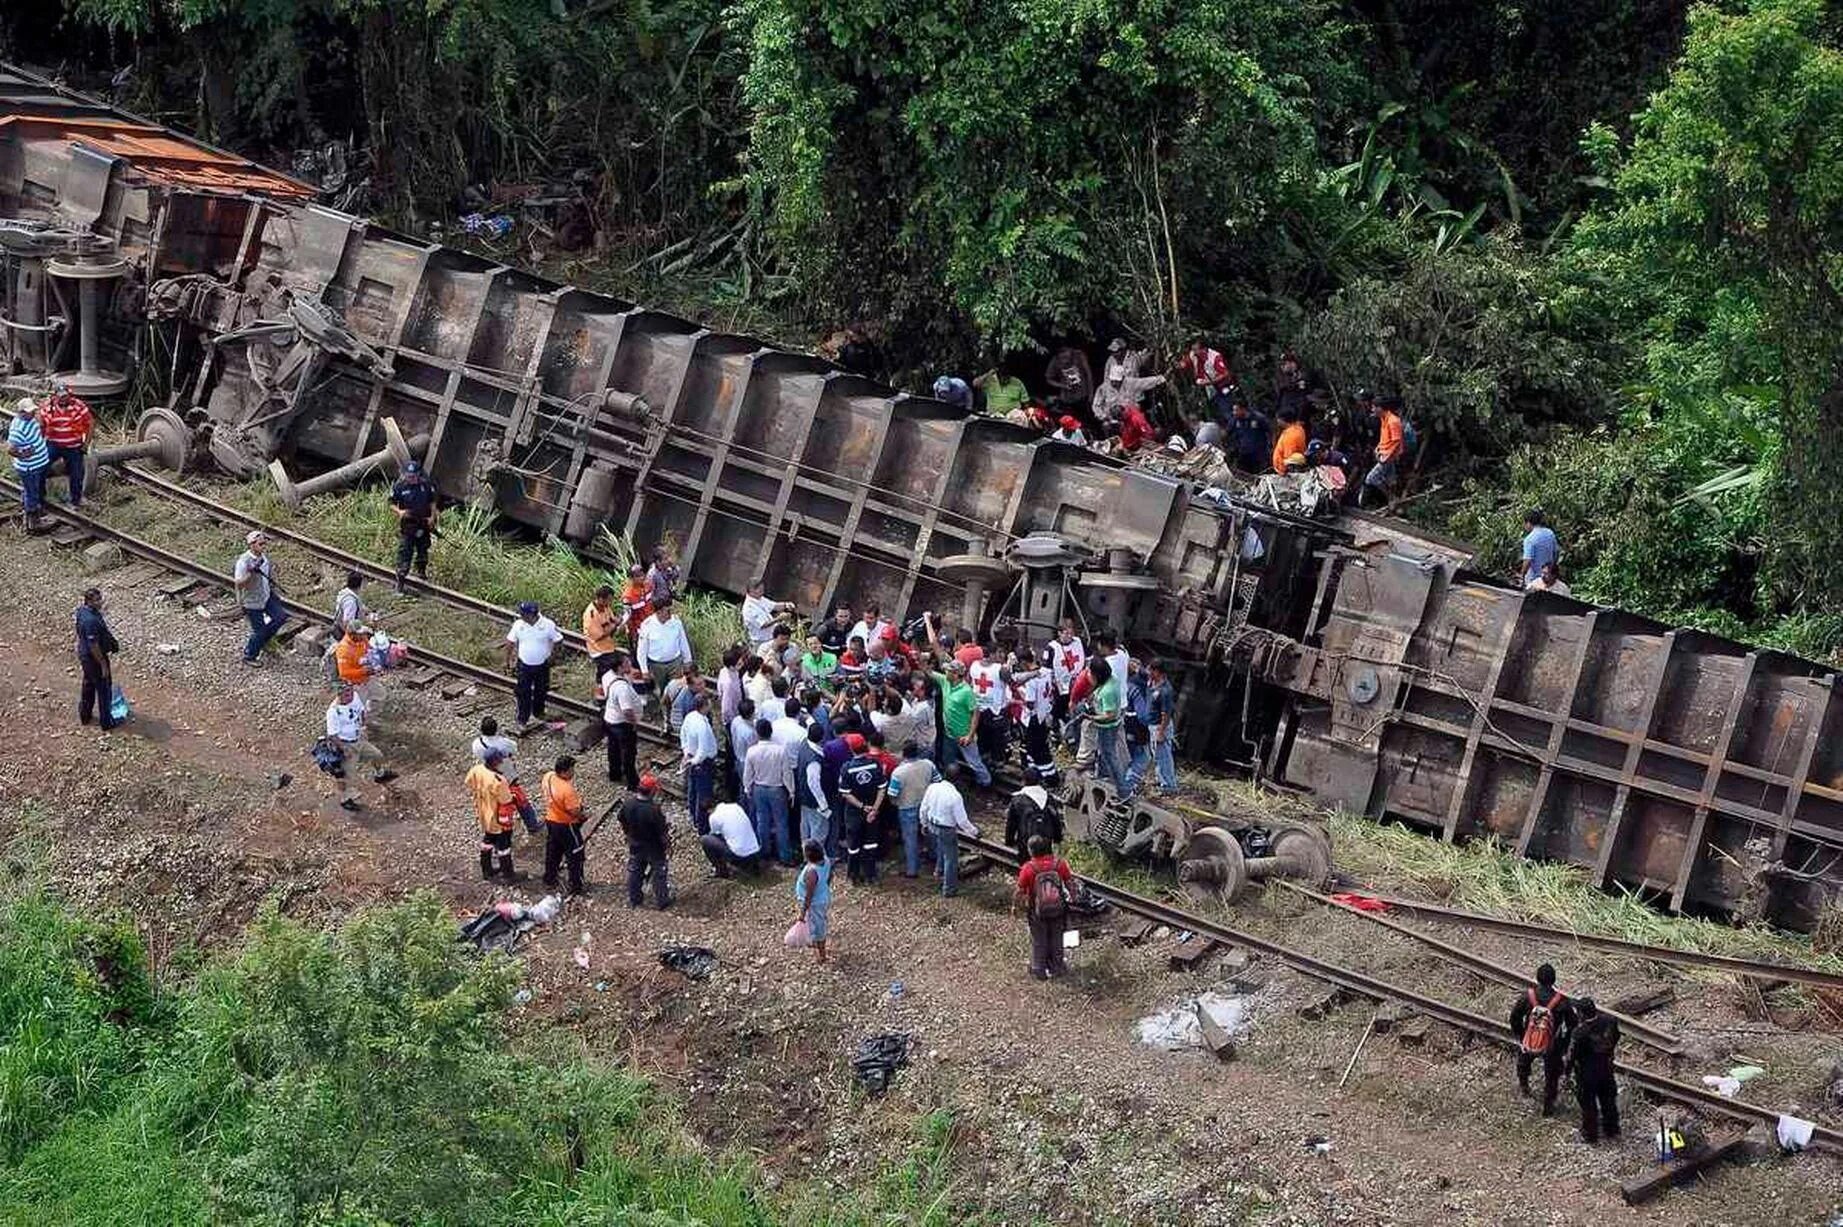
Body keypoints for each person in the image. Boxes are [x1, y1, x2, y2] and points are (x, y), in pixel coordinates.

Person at [1509, 963, 1579, 1118]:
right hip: (1552, 1044)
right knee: (1551, 1076)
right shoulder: (1562, 1001)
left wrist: (1522, 1035)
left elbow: (1514, 1018)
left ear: (1537, 978)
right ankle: (1548, 1107)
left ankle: (1524, 1086)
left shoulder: (1528, 997)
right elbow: (1573, 1024)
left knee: (1523, 1062)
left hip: (1530, 1039)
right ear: (1554, 980)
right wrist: (1563, 1043)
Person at [325, 682, 395, 813]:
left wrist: (363, 726)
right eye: (346, 694)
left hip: (359, 739)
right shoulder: (333, 712)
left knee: (377, 755)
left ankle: (379, 774)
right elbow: (332, 735)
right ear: (338, 695)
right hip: (346, 744)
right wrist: (344, 749)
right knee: (348, 776)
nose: (350, 695)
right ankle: (345, 800)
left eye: (351, 692)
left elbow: (361, 710)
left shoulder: (355, 696)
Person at [1013, 834, 1074, 980]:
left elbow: (1019, 891)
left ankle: (1038, 969)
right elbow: (1070, 883)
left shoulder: (1028, 868)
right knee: (1057, 938)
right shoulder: (1059, 864)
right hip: (1058, 909)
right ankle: (1057, 968)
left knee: (1039, 939)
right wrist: (1073, 899)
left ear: (1031, 851)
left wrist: (1015, 907)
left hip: (1037, 911)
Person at [1565, 997, 1621, 1143]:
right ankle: (1612, 1129)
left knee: (1588, 1105)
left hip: (1586, 1073)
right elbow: (1616, 1038)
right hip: (1606, 1068)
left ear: (1582, 1014)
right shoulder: (1610, 1022)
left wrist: (1567, 1073)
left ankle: (1590, 1134)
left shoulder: (1579, 1032)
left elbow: (1571, 1055)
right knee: (1608, 1100)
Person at [469, 714, 538, 831]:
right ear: (496, 729)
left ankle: (496, 827)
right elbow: (514, 749)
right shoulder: (504, 743)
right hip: (506, 777)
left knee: (495, 805)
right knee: (521, 800)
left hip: (488, 778)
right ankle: (532, 824)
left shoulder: (476, 743)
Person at [503, 601, 565, 729]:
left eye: (523, 614)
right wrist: (507, 661)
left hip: (542, 665)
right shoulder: (518, 625)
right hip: (524, 666)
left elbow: (558, 640)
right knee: (523, 693)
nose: (521, 616)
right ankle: (522, 719)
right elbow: (510, 642)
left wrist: (552, 657)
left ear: (531, 614)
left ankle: (538, 712)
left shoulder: (548, 624)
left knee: (541, 690)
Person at [635, 596, 693, 724]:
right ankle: (657, 715)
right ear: (659, 611)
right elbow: (641, 650)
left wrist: (687, 660)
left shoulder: (676, 622)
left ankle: (672, 715)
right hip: (656, 665)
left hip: (675, 663)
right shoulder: (647, 625)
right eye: (668, 611)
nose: (670, 613)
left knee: (676, 690)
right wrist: (644, 670)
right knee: (657, 692)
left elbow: (683, 642)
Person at [233, 530, 289, 665]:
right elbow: (239, 584)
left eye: (264, 543)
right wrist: (251, 572)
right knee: (260, 630)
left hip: (266, 595)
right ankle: (249, 655)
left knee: (280, 617)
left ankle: (262, 640)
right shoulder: (243, 562)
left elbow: (268, 575)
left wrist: (273, 590)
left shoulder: (264, 558)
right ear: (251, 544)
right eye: (260, 543)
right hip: (252, 602)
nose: (263, 545)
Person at [1125, 659, 1180, 796]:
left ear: (1157, 672)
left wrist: (1161, 732)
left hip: (1159, 726)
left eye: (1151, 670)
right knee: (1150, 755)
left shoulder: (1165, 691)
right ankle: (1141, 779)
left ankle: (1169, 786)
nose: (1148, 672)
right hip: (1151, 725)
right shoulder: (1150, 678)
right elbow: (1140, 669)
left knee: (1162, 756)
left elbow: (1166, 714)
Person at [743, 718, 793, 865]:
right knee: (781, 823)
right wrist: (791, 791)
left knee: (762, 820)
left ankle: (764, 851)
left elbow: (748, 774)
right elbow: (787, 773)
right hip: (777, 788)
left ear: (757, 733)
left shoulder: (751, 751)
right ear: (771, 732)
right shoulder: (780, 750)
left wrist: (747, 788)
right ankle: (785, 856)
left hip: (759, 788)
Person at [919, 774, 979, 897]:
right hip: (946, 829)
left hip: (932, 824)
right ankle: (949, 889)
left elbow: (924, 808)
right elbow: (962, 821)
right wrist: (975, 832)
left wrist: (923, 823)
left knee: (941, 846)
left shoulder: (933, 787)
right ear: (957, 781)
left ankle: (938, 870)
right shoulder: (955, 797)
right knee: (951, 859)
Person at [886, 740, 939, 878]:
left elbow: (892, 794)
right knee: (931, 832)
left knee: (910, 838)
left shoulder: (898, 772)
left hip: (906, 807)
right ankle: (935, 856)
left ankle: (912, 870)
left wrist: (896, 803)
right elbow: (937, 781)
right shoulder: (928, 765)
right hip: (927, 805)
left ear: (904, 754)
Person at [618, 774, 671, 909]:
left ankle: (635, 900)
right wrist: (668, 846)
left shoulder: (628, 803)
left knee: (635, 871)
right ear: (652, 791)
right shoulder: (653, 810)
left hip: (635, 844)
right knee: (659, 874)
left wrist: (628, 834)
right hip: (654, 848)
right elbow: (662, 833)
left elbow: (622, 819)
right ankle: (662, 901)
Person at [838, 735, 887, 884]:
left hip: (854, 813)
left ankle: (854, 875)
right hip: (872, 812)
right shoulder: (875, 764)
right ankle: (870, 875)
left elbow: (846, 793)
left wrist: (861, 806)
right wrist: (874, 810)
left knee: (853, 845)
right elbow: (882, 789)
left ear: (851, 749)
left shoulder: (847, 768)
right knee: (870, 843)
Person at [467, 747, 519, 880]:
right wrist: (514, 796)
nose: (502, 760)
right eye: (500, 759)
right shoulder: (498, 780)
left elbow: (468, 782)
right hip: (497, 818)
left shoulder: (477, 769)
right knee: (504, 845)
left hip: (483, 813)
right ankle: (508, 875)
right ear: (495, 761)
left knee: (488, 841)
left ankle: (487, 870)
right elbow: (506, 800)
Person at [540, 755, 588, 895]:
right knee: (575, 855)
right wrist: (583, 817)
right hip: (567, 825)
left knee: (553, 850)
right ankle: (576, 885)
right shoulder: (567, 790)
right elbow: (574, 811)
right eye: (572, 769)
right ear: (565, 771)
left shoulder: (548, 776)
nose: (573, 772)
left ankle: (549, 878)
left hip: (551, 820)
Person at [388, 458, 437, 592]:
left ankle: (421, 575)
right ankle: (400, 583)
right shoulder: (400, 486)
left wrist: (433, 517)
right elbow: (391, 503)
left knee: (423, 552)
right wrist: (400, 512)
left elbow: (432, 502)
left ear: (418, 475)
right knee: (405, 553)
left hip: (424, 524)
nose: (411, 479)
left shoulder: (426, 485)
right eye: (409, 476)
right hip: (409, 525)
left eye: (414, 476)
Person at [40, 382, 93, 507]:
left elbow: (90, 424)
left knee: (76, 474)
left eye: (66, 396)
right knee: (41, 467)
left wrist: (86, 444)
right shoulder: (48, 407)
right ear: (55, 397)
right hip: (53, 444)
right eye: (61, 396)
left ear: (70, 395)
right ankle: (40, 497)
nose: (64, 399)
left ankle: (76, 500)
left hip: (73, 446)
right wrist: (40, 443)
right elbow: (41, 424)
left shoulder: (79, 406)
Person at [75, 587, 121, 730]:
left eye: (100, 598)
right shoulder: (90, 620)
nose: (100, 602)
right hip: (94, 658)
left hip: (85, 655)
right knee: (103, 689)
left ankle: (85, 715)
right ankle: (106, 722)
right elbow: (94, 645)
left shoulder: (82, 611)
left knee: (88, 685)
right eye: (97, 600)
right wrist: (103, 665)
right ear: (89, 601)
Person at [6, 397, 50, 532]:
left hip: (39, 463)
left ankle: (34, 511)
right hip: (30, 467)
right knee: (32, 493)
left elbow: (40, 424)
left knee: (33, 490)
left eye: (33, 411)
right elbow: (10, 449)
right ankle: (33, 523)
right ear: (22, 412)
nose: (33, 413)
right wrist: (23, 455)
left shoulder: (31, 419)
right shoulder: (18, 429)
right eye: (30, 412)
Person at [599, 653, 643, 787]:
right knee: (628, 753)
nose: (630, 664)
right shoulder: (622, 688)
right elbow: (627, 710)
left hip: (609, 718)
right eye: (627, 663)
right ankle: (633, 782)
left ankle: (615, 774)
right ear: (619, 667)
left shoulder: (607, 676)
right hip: (622, 724)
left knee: (613, 749)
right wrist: (634, 723)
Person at [1004, 767, 1064, 863]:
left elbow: (1011, 824)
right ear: (1039, 781)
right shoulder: (1048, 798)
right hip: (1046, 838)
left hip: (1025, 840)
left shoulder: (1017, 800)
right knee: (1046, 861)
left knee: (1026, 864)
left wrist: (1009, 841)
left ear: (1024, 781)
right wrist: (1057, 838)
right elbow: (1055, 819)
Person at [1088, 657, 1128, 793]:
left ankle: (1123, 788)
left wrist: (1093, 717)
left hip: (1107, 727)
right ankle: (1103, 776)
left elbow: (1109, 714)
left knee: (1110, 755)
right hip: (1109, 725)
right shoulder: (1112, 680)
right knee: (1104, 752)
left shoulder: (1108, 691)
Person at [680, 691, 718, 834]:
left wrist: (686, 754)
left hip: (692, 758)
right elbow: (703, 749)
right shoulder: (701, 725)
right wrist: (694, 761)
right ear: (705, 705)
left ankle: (693, 818)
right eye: (709, 702)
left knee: (693, 790)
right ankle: (702, 826)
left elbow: (683, 735)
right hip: (702, 763)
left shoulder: (690, 717)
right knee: (703, 795)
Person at [1360, 395, 1406, 507]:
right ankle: (1395, 501)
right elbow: (1384, 437)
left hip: (1389, 456)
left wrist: (1386, 457)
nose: (1372, 410)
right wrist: (1378, 448)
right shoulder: (1383, 419)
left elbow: (1396, 441)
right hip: (1382, 453)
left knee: (1371, 478)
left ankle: (1391, 498)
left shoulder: (1393, 421)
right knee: (1391, 479)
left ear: (1380, 408)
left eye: (1374, 407)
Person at [702, 793, 762, 877]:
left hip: (739, 855)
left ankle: (721, 871)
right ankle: (753, 865)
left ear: (708, 811)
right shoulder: (735, 806)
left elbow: (715, 834)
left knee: (706, 840)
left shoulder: (714, 817)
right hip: (755, 851)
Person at [1044, 619, 1087, 734]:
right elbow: (1046, 671)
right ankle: (1057, 731)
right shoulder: (1051, 648)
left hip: (1078, 684)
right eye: (1066, 633)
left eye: (1071, 633)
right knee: (1059, 710)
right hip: (1060, 687)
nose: (1069, 636)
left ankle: (1074, 731)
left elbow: (1088, 660)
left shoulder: (1079, 642)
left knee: (1077, 709)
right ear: (1059, 633)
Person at [793, 839, 832, 963]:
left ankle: (822, 954)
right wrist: (824, 886)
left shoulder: (812, 872)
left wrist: (802, 913)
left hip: (815, 904)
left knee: (819, 927)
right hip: (822, 898)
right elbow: (830, 876)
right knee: (817, 922)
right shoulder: (826, 860)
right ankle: (815, 941)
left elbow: (809, 895)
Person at [1178, 338, 1234, 418]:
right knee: (1215, 412)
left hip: (1221, 386)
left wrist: (1210, 382)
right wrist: (1180, 364)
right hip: (1206, 389)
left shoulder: (1215, 357)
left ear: (1203, 349)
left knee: (1226, 410)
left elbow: (1225, 373)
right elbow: (1184, 363)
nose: (1194, 352)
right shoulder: (1193, 354)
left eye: (1196, 350)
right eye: (1193, 349)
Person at [334, 623, 384, 707]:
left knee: (381, 695)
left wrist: (375, 661)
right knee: (358, 706)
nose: (363, 635)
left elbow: (369, 650)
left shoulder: (362, 639)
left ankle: (370, 709)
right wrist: (364, 671)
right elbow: (344, 673)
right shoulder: (344, 650)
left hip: (367, 677)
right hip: (356, 684)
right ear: (352, 635)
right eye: (360, 634)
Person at [741, 577, 796, 647]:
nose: (762, 592)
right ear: (752, 591)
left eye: (762, 589)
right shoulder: (749, 608)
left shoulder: (760, 598)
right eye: (760, 590)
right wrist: (779, 618)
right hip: (761, 641)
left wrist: (786, 605)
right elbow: (763, 625)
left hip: (772, 637)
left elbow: (774, 606)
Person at [583, 585, 621, 682]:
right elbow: (599, 636)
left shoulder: (605, 606)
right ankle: (601, 689)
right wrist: (614, 626)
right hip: (598, 649)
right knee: (606, 672)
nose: (610, 602)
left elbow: (611, 618)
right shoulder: (591, 614)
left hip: (608, 646)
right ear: (600, 599)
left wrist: (618, 620)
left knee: (612, 668)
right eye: (609, 600)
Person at [1045, 345, 1094, 418]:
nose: (1065, 361)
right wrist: (1062, 385)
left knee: (1086, 417)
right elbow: (1048, 379)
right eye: (1062, 358)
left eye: (1067, 357)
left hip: (1083, 394)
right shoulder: (1055, 361)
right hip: (1067, 397)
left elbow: (1089, 374)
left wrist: (1091, 394)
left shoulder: (1079, 356)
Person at [1520, 509, 1559, 591]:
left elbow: (1527, 560)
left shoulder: (1529, 539)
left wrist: (1522, 575)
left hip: (1534, 579)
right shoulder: (1550, 533)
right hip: (1549, 578)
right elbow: (1556, 553)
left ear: (1528, 523)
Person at [1225, 400, 1270, 472]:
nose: (1234, 413)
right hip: (1243, 454)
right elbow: (1227, 433)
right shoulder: (1235, 421)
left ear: (1243, 409)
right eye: (1233, 410)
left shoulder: (1258, 418)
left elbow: (1269, 431)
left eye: (1237, 410)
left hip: (1258, 454)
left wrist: (1270, 446)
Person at [332, 570, 373, 636]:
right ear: (360, 585)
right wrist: (364, 629)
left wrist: (363, 609)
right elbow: (347, 624)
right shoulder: (350, 602)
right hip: (344, 634)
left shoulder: (346, 592)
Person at [619, 563, 652, 637]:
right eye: (638, 576)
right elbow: (626, 614)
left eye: (642, 575)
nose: (642, 578)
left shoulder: (648, 585)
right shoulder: (628, 596)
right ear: (631, 578)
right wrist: (622, 624)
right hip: (638, 630)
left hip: (651, 624)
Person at [1270, 410, 1307, 475]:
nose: (1277, 421)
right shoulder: (1297, 429)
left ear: (1283, 420)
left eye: (1278, 419)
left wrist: (1285, 471)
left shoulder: (1291, 436)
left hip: (1286, 473)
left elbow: (1290, 458)